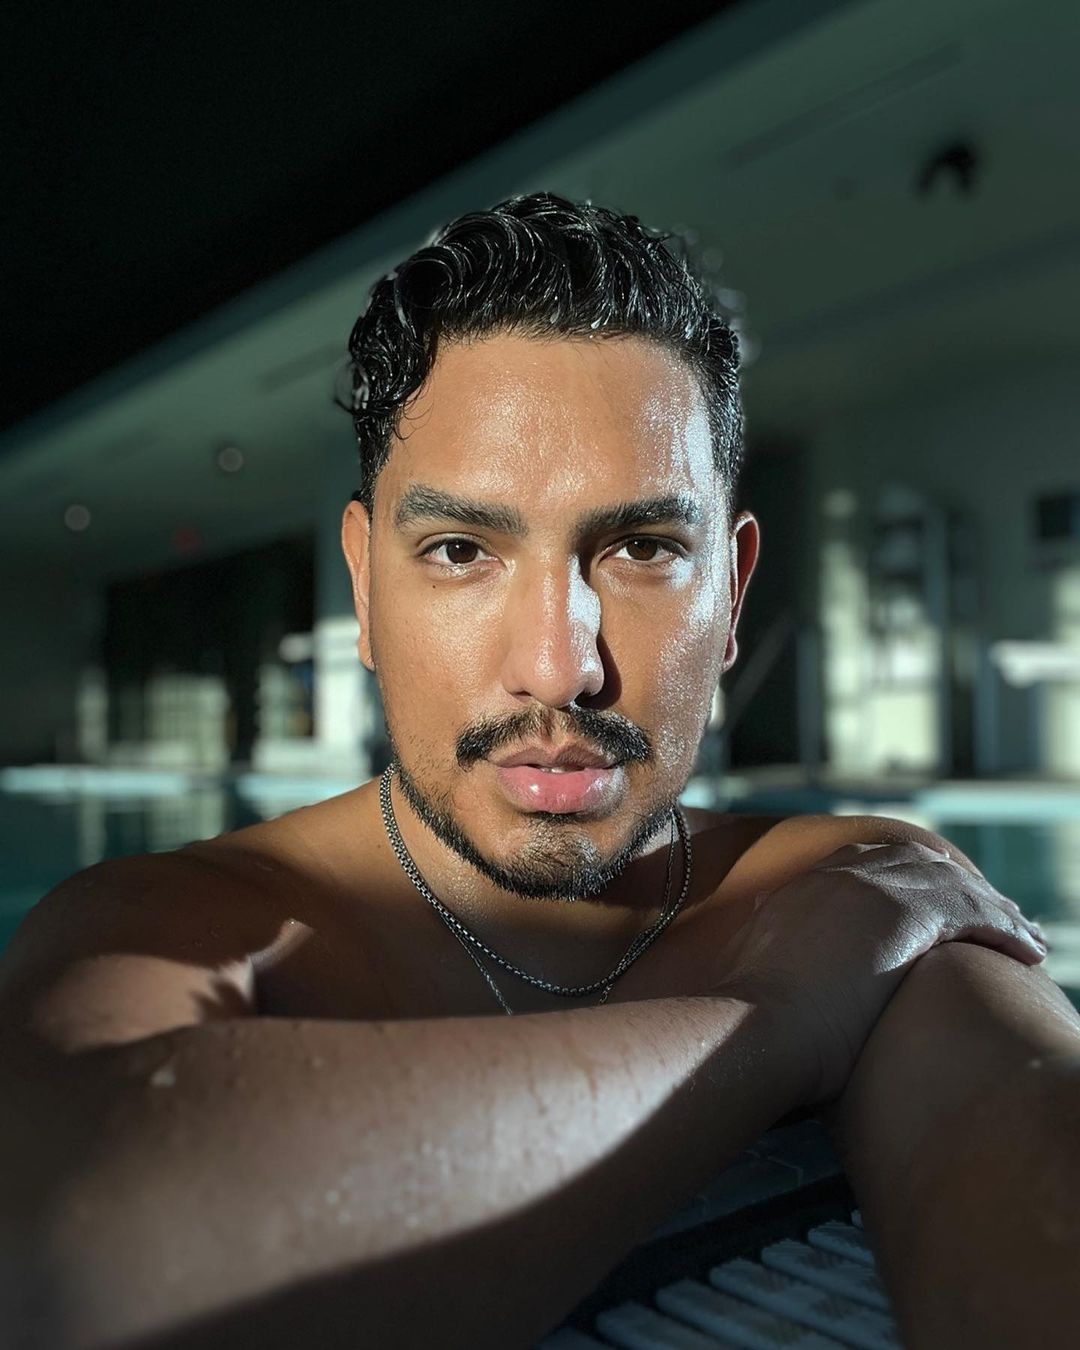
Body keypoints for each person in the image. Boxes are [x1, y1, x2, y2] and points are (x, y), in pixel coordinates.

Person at [1, 193, 1077, 1350]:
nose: (561, 668)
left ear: (731, 595)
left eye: (644, 549)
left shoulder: (869, 892)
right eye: (461, 550)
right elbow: (58, 1258)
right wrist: (771, 1018)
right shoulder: (180, 927)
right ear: (365, 586)